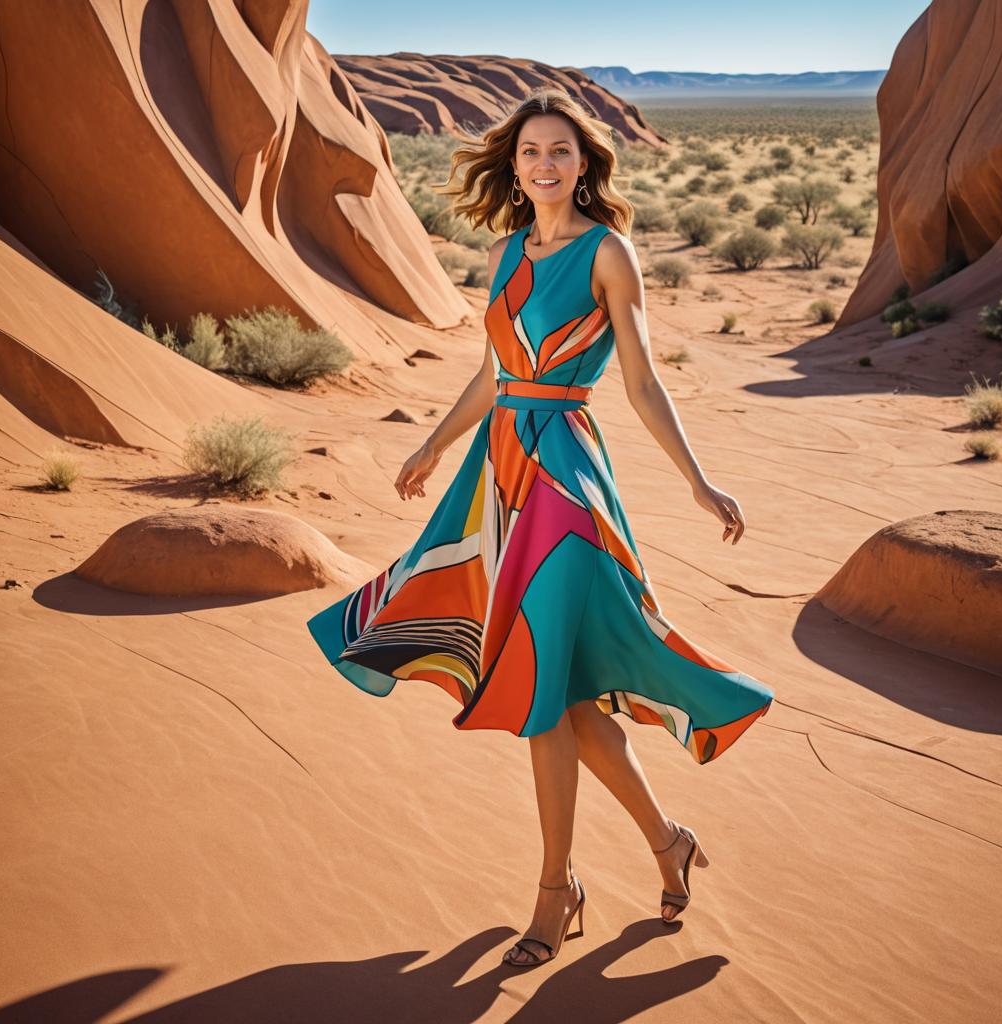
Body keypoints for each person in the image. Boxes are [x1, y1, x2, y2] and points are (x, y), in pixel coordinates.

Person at [306, 88, 774, 969]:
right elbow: (494, 376)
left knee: (537, 689)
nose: (544, 165)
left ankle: (555, 893)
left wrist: (702, 483)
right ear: (514, 168)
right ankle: (667, 842)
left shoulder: (610, 252)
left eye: (560, 151)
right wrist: (434, 445)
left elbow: (639, 382)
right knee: (556, 699)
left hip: (566, 481)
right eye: (529, 153)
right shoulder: (508, 251)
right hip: (499, 476)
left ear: (585, 162)